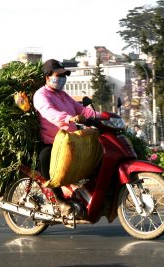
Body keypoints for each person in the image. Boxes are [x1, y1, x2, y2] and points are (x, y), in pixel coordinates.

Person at [33, 59, 98, 216]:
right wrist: (69, 118)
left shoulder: (63, 95)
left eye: (64, 76)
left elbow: (82, 110)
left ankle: (85, 194)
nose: (62, 79)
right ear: (47, 76)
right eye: (58, 75)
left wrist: (101, 116)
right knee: (46, 159)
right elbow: (49, 112)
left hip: (70, 140)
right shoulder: (41, 95)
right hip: (53, 142)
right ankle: (59, 200)